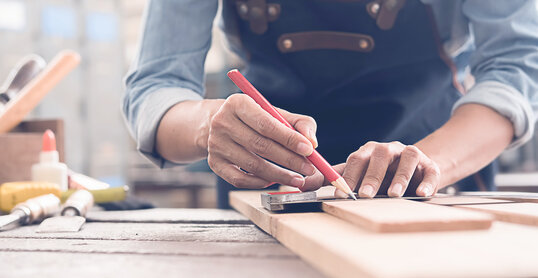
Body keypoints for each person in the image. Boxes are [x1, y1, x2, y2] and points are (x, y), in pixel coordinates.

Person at [122, 0, 538, 208]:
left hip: (433, 185)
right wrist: (209, 123)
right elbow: (155, 89)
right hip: (267, 194)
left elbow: (517, 70)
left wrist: (427, 163)